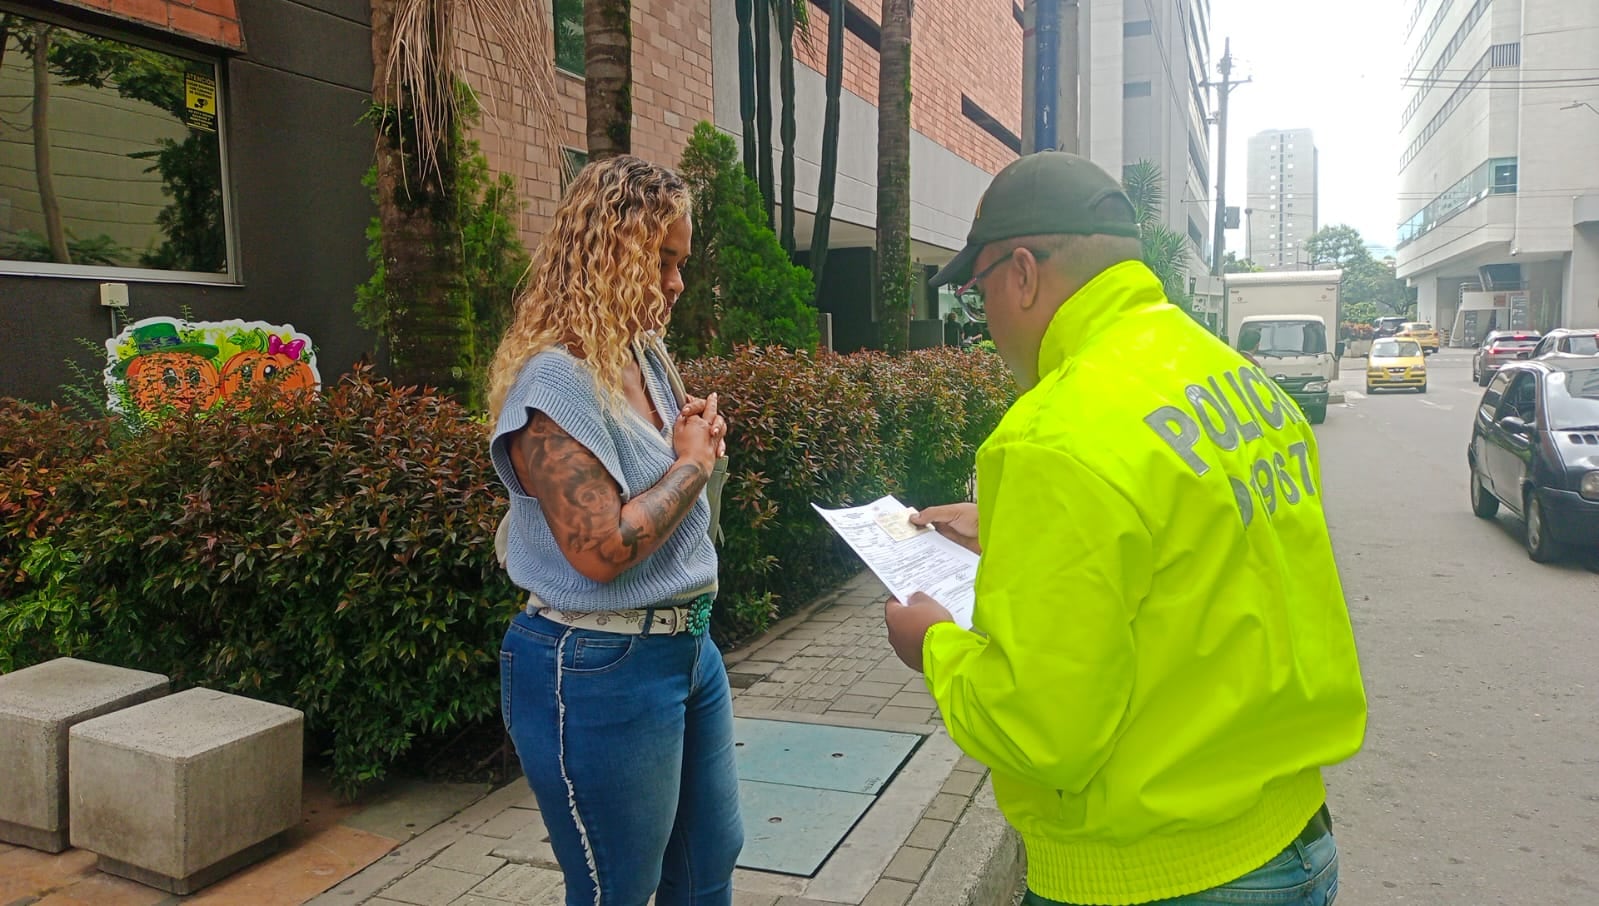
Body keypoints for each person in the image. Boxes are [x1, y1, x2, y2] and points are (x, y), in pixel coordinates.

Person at [883, 151, 1367, 906]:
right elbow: (1193, 538)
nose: (988, 321)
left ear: (1021, 274)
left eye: (980, 294)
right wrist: (1014, 528)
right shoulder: (1233, 378)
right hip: (1294, 841)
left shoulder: (1053, 434)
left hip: (1155, 876)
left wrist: (932, 644)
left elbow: (1040, 732)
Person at [486, 155, 741, 905]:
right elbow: (600, 550)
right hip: (595, 663)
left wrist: (693, 436)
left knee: (706, 866)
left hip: (685, 648)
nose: (675, 283)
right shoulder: (553, 382)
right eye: (661, 260)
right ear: (609, 250)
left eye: (681, 262)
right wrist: (691, 467)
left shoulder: (641, 355)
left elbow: (661, 473)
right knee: (617, 890)